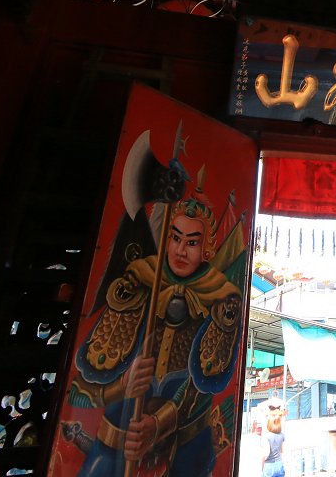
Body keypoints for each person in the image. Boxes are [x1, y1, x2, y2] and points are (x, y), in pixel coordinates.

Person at [65, 192, 244, 476]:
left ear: (207, 249)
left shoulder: (221, 299)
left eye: (192, 242)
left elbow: (203, 387)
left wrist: (158, 424)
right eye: (175, 238)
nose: (180, 250)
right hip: (115, 444)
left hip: (184, 447)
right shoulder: (137, 282)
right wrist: (122, 386)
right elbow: (78, 392)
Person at [260, 400, 286, 477]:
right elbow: (282, 451)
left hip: (269, 466)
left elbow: (266, 453)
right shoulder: (282, 435)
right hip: (279, 464)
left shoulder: (267, 436)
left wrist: (262, 468)